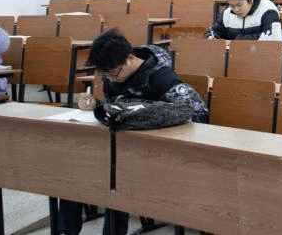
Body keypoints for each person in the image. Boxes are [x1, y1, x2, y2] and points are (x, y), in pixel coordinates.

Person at [62, 28, 208, 235]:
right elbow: (119, 106)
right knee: (74, 169)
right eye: (105, 75)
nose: (110, 80)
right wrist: (97, 105)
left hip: (156, 151)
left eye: (113, 74)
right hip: (123, 145)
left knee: (116, 179)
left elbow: (198, 115)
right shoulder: (115, 74)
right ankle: (65, 231)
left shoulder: (162, 79)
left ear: (130, 59)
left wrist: (150, 118)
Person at [207, 0, 282, 40]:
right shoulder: (227, 13)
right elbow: (213, 31)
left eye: (239, 5)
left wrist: (239, 39)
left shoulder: (267, 10)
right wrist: (211, 37)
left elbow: (270, 36)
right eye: (232, 5)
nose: (236, 9)